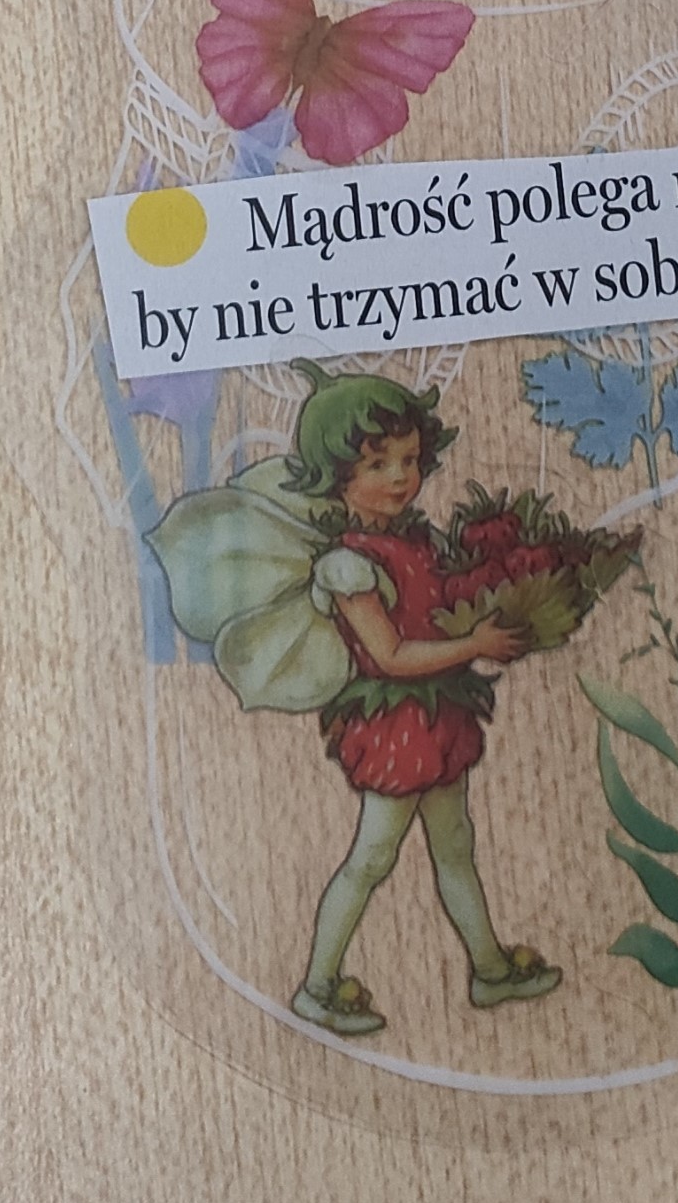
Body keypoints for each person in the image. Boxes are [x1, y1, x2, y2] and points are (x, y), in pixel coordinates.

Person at [151, 365, 568, 1036]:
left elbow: (438, 613)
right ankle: (317, 986)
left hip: (438, 716)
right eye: (378, 463)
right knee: (372, 857)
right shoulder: (348, 564)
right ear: (337, 476)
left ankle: (489, 968)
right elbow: (389, 656)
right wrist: (475, 643)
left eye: (409, 459)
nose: (400, 476)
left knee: (455, 846)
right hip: (397, 724)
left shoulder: (414, 539)